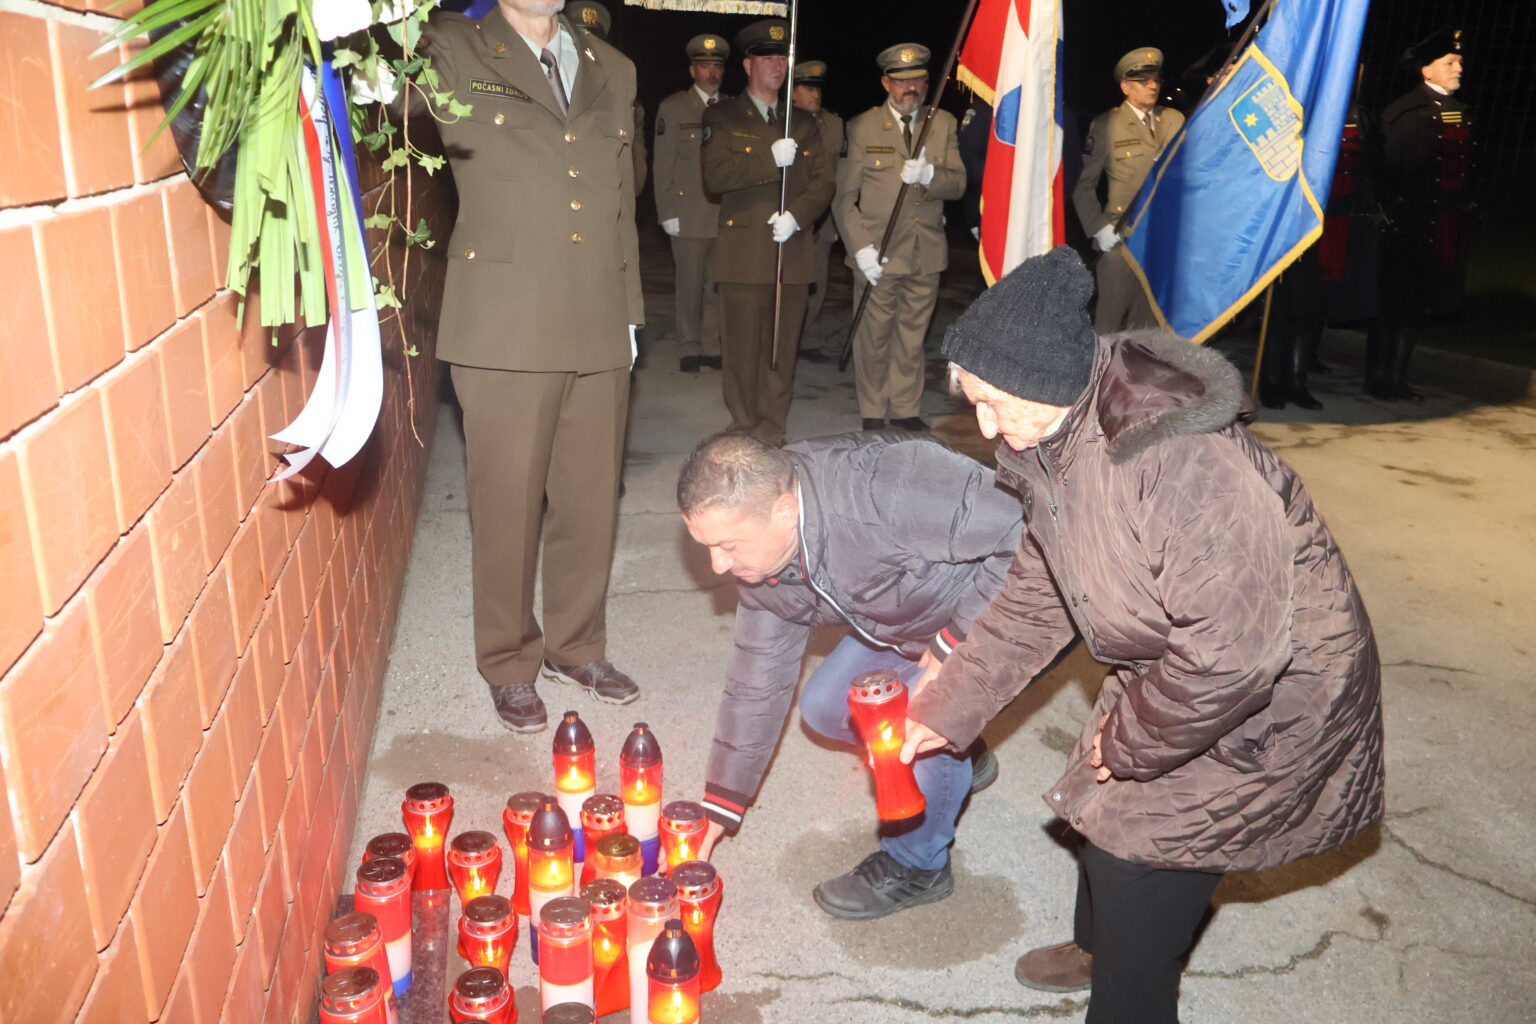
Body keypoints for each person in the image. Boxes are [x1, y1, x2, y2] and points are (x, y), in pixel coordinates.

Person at [899, 246, 1384, 1023]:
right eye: (974, 402)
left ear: (1051, 380)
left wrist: (1133, 738)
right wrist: (951, 703)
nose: (988, 427)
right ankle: (1101, 948)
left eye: (998, 402)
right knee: (1100, 810)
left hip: (1275, 693)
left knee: (1140, 862)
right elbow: (1038, 594)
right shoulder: (1054, 440)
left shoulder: (1182, 461)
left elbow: (1235, 654)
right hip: (1179, 656)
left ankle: (1126, 985)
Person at [678, 431, 1019, 919]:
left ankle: (919, 865)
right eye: (707, 546)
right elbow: (756, 683)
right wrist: (719, 805)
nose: (718, 565)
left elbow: (1026, 530)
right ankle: (965, 753)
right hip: (910, 625)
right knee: (825, 707)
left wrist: (952, 645)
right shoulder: (765, 564)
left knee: (912, 725)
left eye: (728, 545)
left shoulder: (885, 485)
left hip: (1009, 612)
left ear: (784, 511)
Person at [423, 0, 645, 732]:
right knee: (507, 504)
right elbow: (385, 102)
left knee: (589, 499)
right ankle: (509, 660)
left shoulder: (614, 67)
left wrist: (630, 313)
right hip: (506, 322)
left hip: (598, 314)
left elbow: (620, 202)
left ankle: (577, 645)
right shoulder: (450, 45)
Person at [701, 17, 836, 447]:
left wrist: (797, 216)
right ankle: (743, 428)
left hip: (790, 252)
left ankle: (773, 429)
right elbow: (715, 176)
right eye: (768, 58)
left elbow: (824, 182)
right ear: (748, 65)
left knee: (780, 350)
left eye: (782, 58)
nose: (778, 66)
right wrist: (767, 158)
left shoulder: (803, 122)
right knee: (741, 349)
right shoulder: (722, 115)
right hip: (743, 254)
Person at [833, 43, 966, 432]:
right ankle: (873, 409)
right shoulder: (862, 127)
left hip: (925, 251)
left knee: (912, 335)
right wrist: (859, 248)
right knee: (874, 336)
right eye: (902, 81)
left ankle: (906, 407)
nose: (911, 88)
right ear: (886, 83)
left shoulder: (942, 124)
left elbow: (958, 184)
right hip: (879, 251)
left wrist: (930, 176)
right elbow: (844, 198)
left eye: (918, 80)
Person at [1369, 28, 1474, 401]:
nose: (1458, 68)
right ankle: (1380, 378)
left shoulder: (1459, 112)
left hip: (1441, 223)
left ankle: (1396, 377)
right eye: (1450, 62)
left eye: (1459, 61)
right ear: (1426, 70)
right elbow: (1387, 172)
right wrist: (1393, 215)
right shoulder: (1405, 113)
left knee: (1417, 304)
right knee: (1396, 303)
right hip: (1408, 225)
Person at [1072, 47, 1184, 333]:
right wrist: (1098, 228)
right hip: (1120, 239)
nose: (1153, 85)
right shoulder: (1108, 125)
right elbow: (1083, 186)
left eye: (1156, 79)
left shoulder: (1174, 120)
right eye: (1144, 80)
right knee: (1110, 324)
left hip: (1160, 241)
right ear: (1125, 87)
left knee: (1149, 327)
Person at [654, 34, 731, 374]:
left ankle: (713, 344)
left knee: (716, 284)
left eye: (717, 67)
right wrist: (666, 211)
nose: (711, 73)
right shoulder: (674, 108)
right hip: (687, 212)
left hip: (723, 213)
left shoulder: (731, 108)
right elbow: (663, 163)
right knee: (689, 284)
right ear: (692, 71)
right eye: (704, 66)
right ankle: (689, 345)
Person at [789, 59, 843, 363]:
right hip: (789, 217)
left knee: (818, 281)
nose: (816, 94)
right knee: (787, 281)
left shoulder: (833, 125)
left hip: (822, 220)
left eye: (818, 88)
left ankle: (808, 338)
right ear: (793, 93)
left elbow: (839, 174)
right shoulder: (781, 121)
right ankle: (784, 337)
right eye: (808, 88)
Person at [565, 1, 649, 195]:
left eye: (595, 45)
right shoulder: (552, 90)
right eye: (579, 43)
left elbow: (634, 178)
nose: (589, 52)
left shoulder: (626, 100)